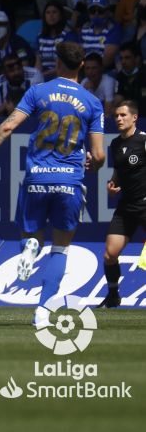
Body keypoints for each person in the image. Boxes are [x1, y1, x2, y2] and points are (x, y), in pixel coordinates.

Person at [0, 41, 105, 319]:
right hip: (70, 181)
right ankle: (42, 311)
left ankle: (30, 247)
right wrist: (94, 164)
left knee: (32, 236)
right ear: (81, 66)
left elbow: (8, 126)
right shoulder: (92, 102)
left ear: (57, 63)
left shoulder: (38, 91)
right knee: (61, 247)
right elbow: (99, 154)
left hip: (37, 177)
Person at [101, 101, 146, 308]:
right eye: (116, 116)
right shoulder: (115, 144)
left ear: (134, 118)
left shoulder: (144, 141)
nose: (118, 119)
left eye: (123, 115)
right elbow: (118, 172)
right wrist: (113, 186)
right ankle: (113, 295)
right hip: (127, 206)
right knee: (110, 254)